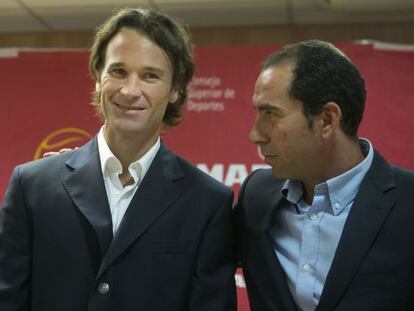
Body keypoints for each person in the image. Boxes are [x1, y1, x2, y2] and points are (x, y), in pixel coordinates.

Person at [0, 8, 236, 311]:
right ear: (98, 78)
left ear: (175, 89)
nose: (130, 90)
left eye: (150, 75)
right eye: (119, 71)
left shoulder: (207, 203)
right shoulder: (31, 186)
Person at [234, 40, 414, 310]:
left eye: (270, 114)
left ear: (327, 119)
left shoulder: (408, 203)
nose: (254, 134)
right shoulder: (256, 196)